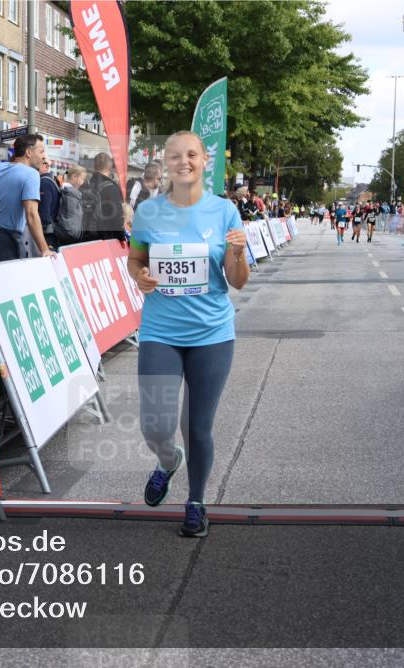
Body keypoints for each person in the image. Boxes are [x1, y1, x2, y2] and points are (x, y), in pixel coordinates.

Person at [126, 130, 248, 538]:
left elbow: (238, 281)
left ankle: (196, 502)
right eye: (175, 155)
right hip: (161, 330)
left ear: (203, 160)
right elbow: (135, 260)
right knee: (156, 425)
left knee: (197, 425)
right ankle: (166, 462)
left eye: (191, 154)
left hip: (212, 334)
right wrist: (140, 276)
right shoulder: (148, 213)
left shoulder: (225, 212)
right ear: (165, 162)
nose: (184, 162)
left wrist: (238, 253)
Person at [0, 133, 54, 263]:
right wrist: (44, 249)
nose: (44, 156)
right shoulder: (31, 174)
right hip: (6, 244)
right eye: (41, 151)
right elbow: (31, 214)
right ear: (29, 152)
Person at [81, 152, 126, 241]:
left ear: (94, 167)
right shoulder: (111, 188)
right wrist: (121, 237)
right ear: (109, 168)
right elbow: (116, 217)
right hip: (105, 238)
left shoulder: (85, 185)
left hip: (84, 236)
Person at [55, 164, 86, 245]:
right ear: (74, 176)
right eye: (82, 179)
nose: (83, 182)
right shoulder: (70, 192)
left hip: (70, 235)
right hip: (69, 236)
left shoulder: (69, 192)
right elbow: (72, 217)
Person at [38, 158, 61, 251]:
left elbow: (44, 213)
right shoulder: (52, 180)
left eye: (38, 163)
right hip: (52, 232)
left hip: (46, 234)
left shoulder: (44, 183)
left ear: (46, 166)